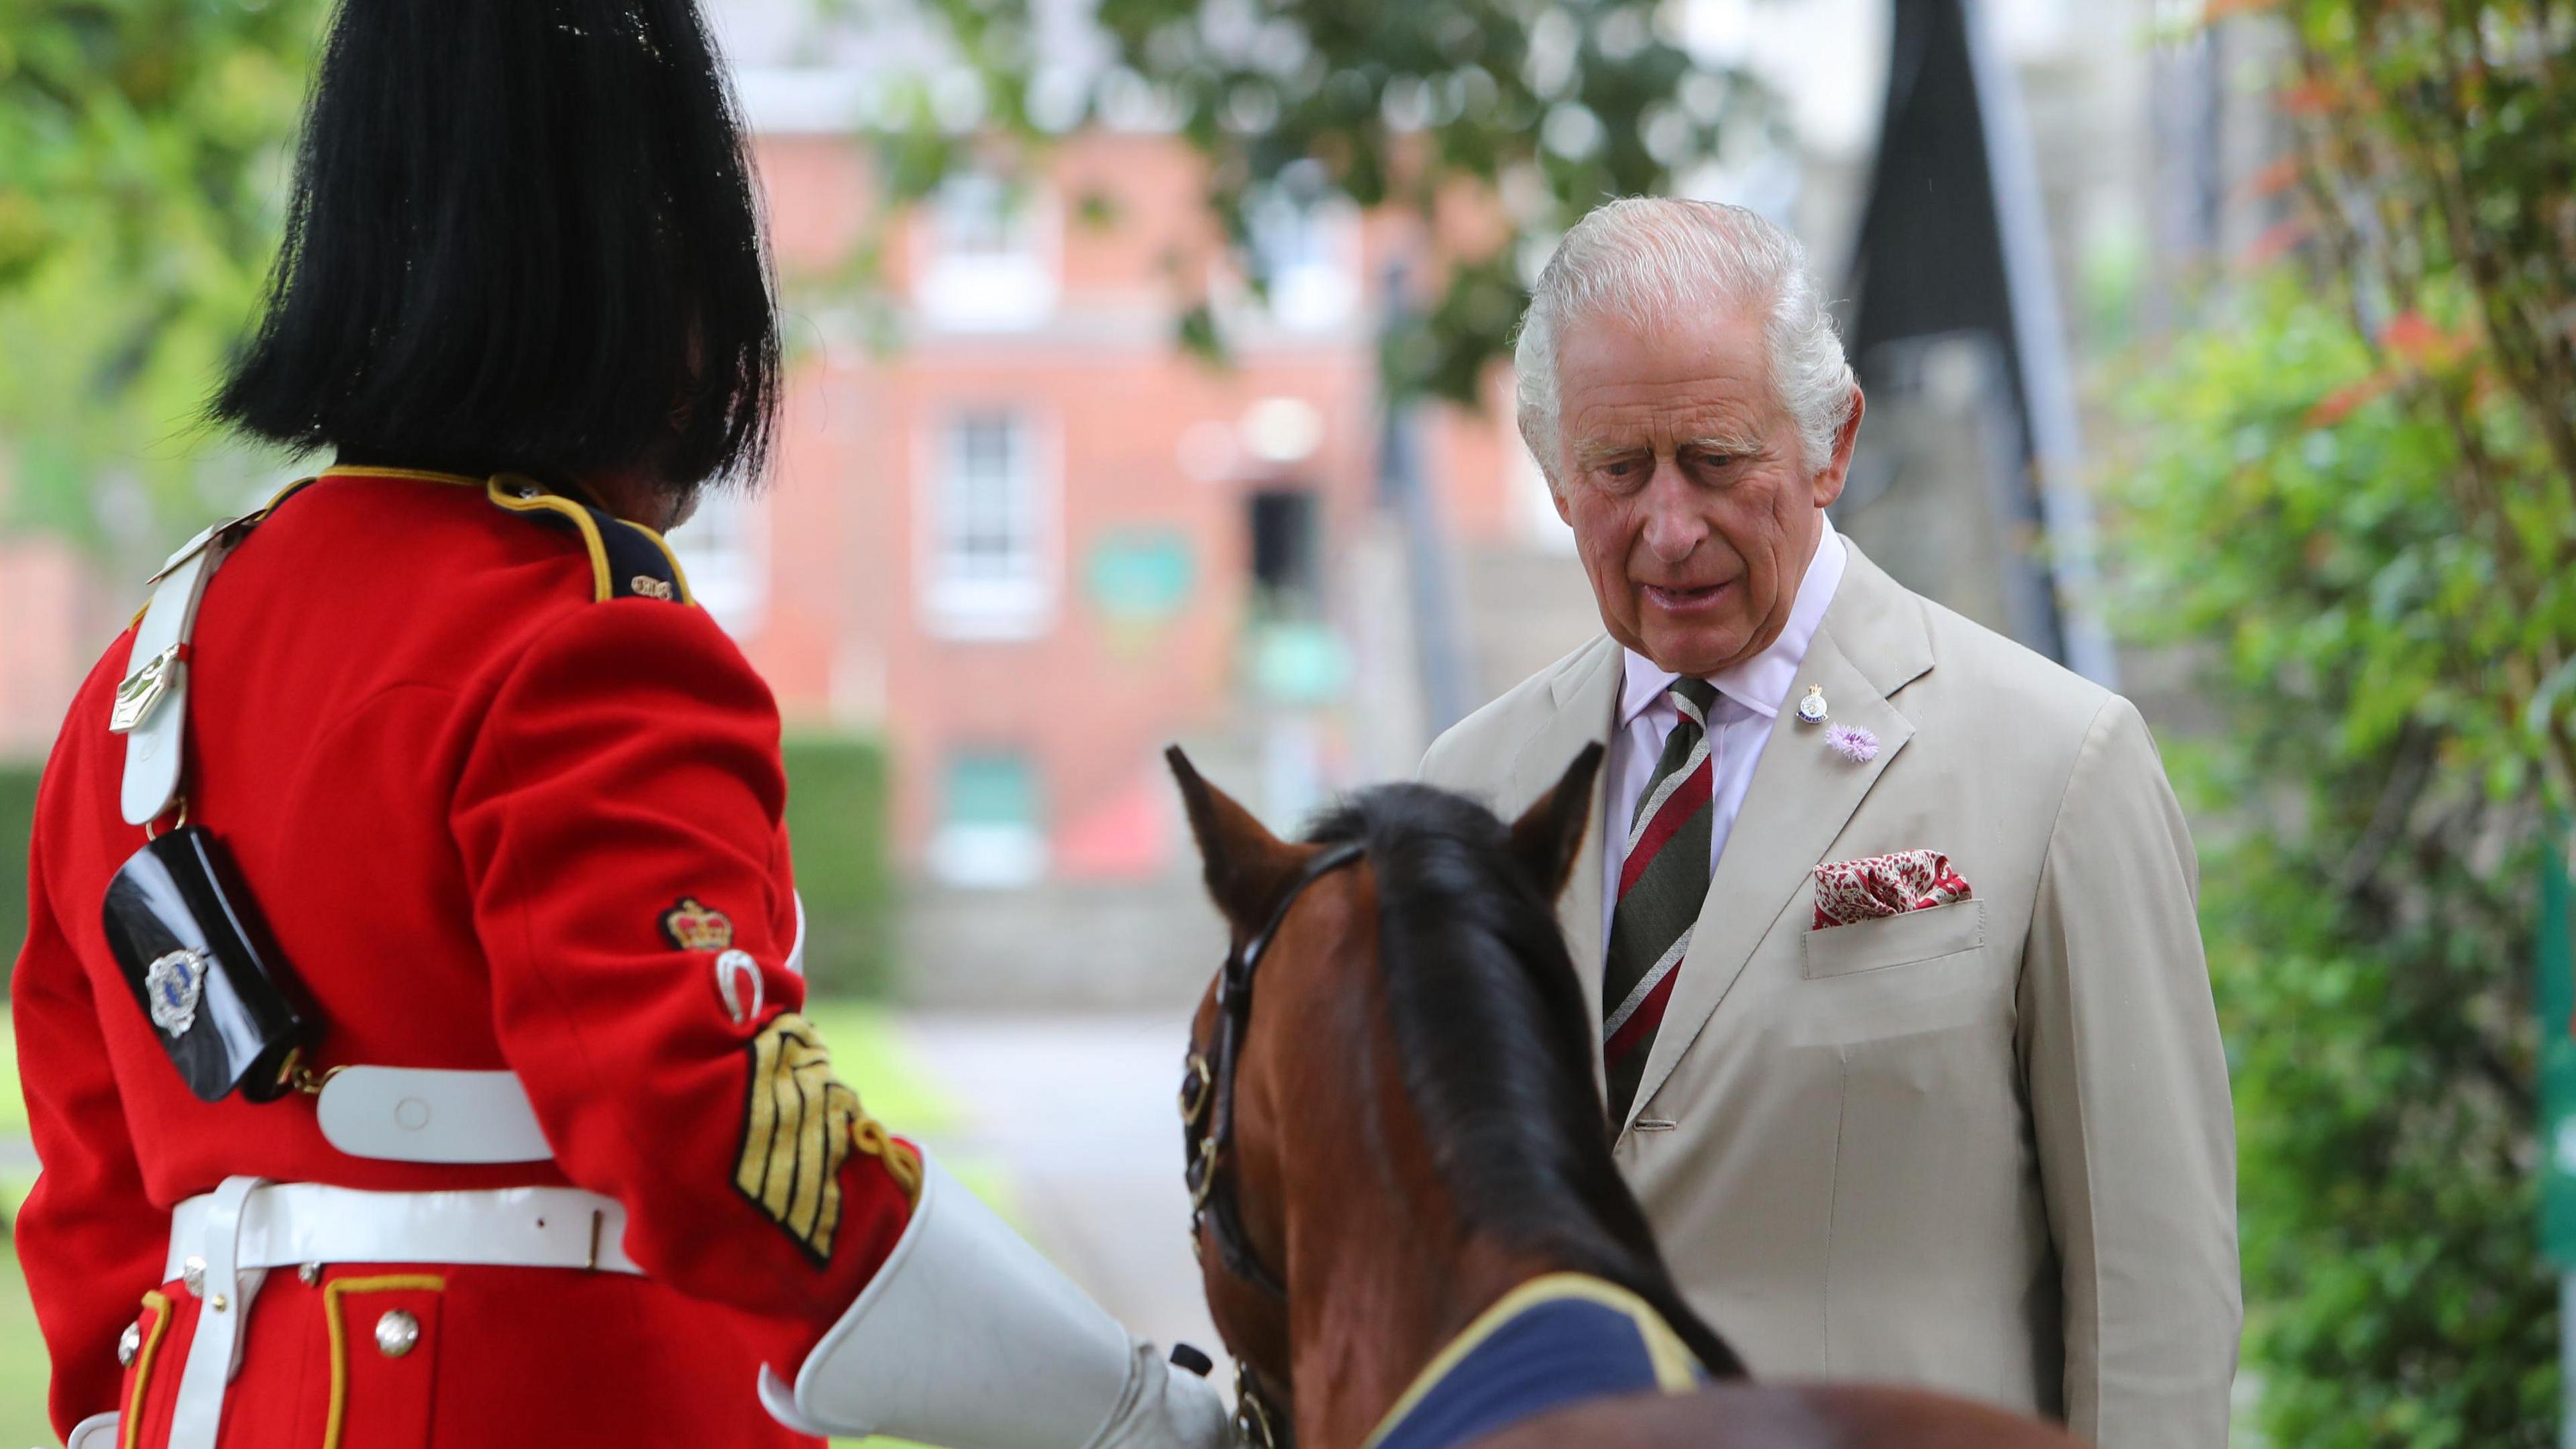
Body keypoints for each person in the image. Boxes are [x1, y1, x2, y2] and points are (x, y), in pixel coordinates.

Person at [9, 2, 1231, 1446]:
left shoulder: (155, 661)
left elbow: (94, 1210)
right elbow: (728, 1136)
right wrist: (1131, 1416)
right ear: (631, 271)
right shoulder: (582, 641)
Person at [1419, 197, 2240, 1447]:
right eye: (1617, 470)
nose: (1670, 527)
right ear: (1549, 467)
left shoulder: (2061, 763)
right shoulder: (1466, 794)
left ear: (1831, 443)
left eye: (1713, 459)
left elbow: (2156, 1290)